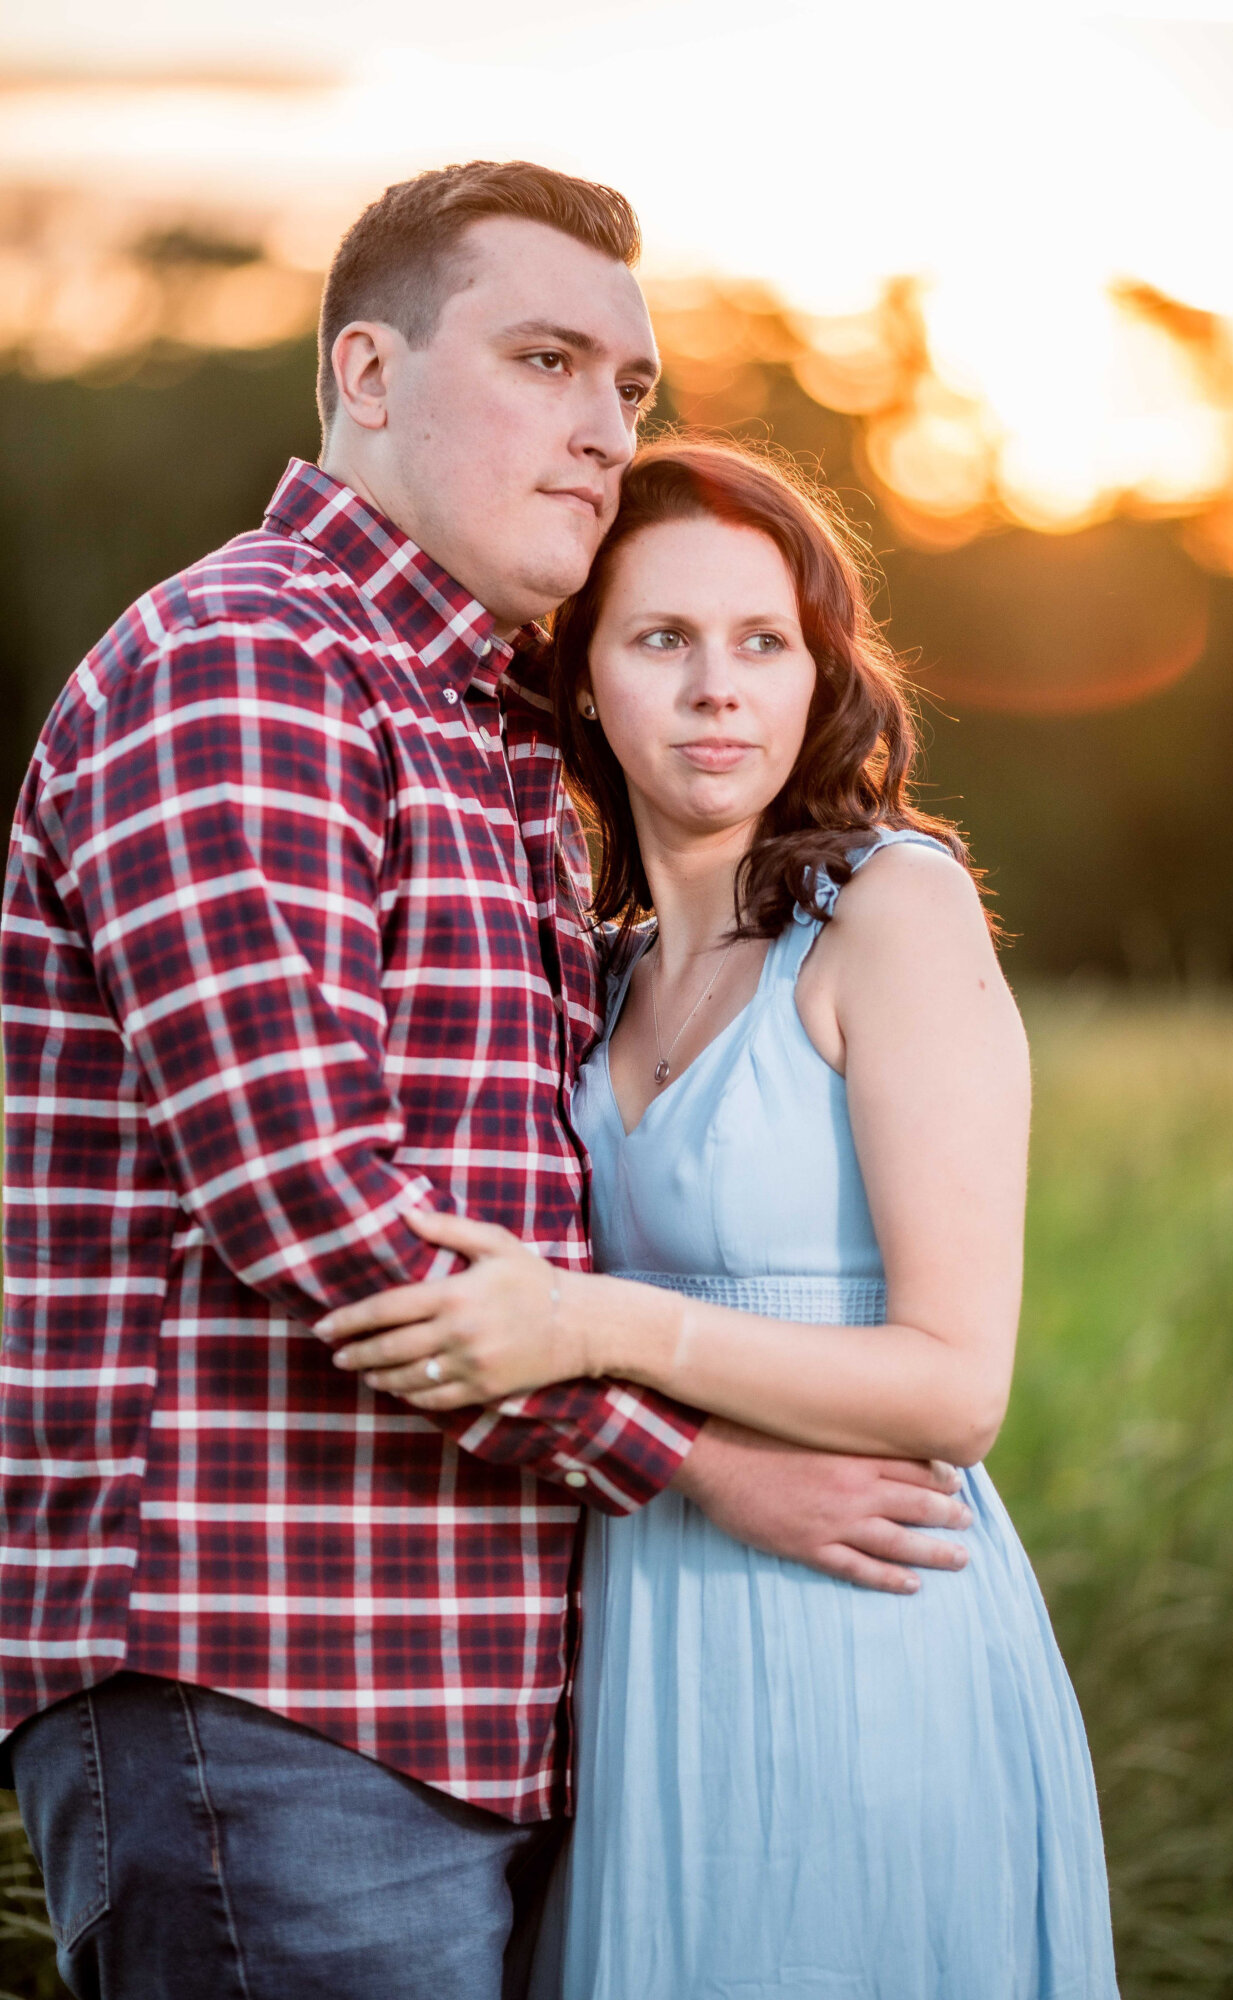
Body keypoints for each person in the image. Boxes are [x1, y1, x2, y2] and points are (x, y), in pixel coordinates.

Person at [0, 165, 972, 2000]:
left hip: (474, 1687)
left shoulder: (488, 727)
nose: (606, 432)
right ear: (366, 372)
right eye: (545, 359)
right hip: (270, 1668)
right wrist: (699, 1467)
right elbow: (315, 1206)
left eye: (629, 389)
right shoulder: (251, 662)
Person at [321, 439, 1121, 1997]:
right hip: (638, 1620)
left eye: (764, 642)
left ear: (820, 677)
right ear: (583, 682)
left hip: (861, 1623)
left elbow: (955, 1384)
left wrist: (592, 1319)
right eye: (662, 639)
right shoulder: (592, 973)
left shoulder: (892, 908)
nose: (716, 689)